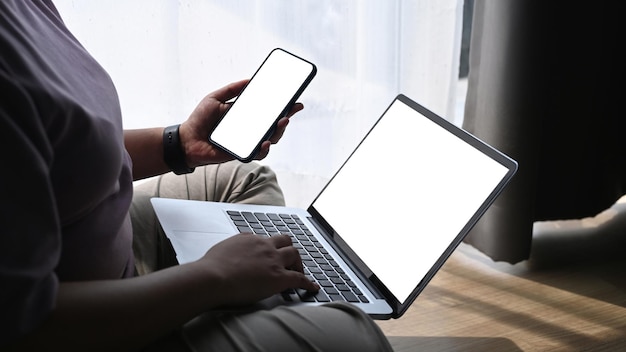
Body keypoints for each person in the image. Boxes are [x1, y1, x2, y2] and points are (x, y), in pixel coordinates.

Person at [0, 1, 393, 351]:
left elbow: (62, 144)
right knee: (353, 334)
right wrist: (212, 276)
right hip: (87, 326)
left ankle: (220, 298)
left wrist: (180, 144)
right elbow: (26, 326)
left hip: (108, 238)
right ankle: (203, 309)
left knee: (248, 179)